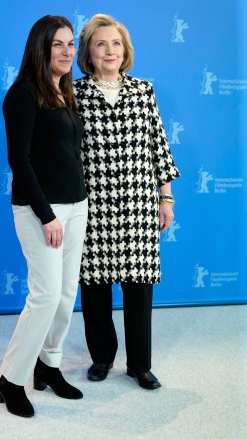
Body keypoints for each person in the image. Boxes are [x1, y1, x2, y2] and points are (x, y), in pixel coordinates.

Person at [74, 14, 180, 390]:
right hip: (93, 204)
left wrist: (165, 197)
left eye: (115, 43)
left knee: (139, 286)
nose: (109, 50)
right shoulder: (74, 94)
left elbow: (159, 148)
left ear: (125, 50)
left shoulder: (143, 90)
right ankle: (101, 357)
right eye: (100, 43)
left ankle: (140, 365)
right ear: (88, 51)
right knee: (95, 285)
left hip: (137, 203)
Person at [0, 15, 88, 417]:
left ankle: (48, 365)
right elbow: (19, 160)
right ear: (41, 48)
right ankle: (11, 379)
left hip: (76, 207)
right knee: (45, 295)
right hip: (41, 212)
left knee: (67, 294)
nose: (69, 52)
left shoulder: (65, 92)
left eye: (71, 44)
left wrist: (74, 206)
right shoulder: (24, 93)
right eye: (59, 45)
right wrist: (47, 214)